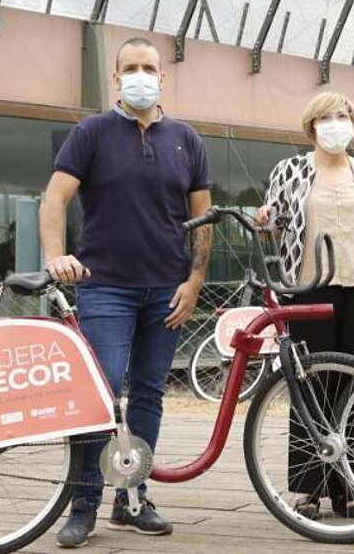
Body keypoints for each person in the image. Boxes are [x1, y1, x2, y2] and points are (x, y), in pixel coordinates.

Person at [41, 36, 213, 547]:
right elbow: (54, 197)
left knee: (148, 396)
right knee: (99, 395)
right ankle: (84, 505)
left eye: (149, 67)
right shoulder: (91, 132)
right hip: (105, 288)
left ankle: (132, 500)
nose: (141, 75)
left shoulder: (187, 139)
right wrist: (56, 256)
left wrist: (195, 279)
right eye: (131, 68)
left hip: (167, 289)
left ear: (163, 77)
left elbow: (201, 217)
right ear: (116, 78)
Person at [255, 91, 354, 518]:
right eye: (327, 117)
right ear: (312, 125)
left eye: (344, 116)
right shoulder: (291, 170)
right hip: (309, 288)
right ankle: (310, 487)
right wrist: (264, 218)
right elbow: (273, 224)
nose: (337, 123)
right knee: (311, 381)